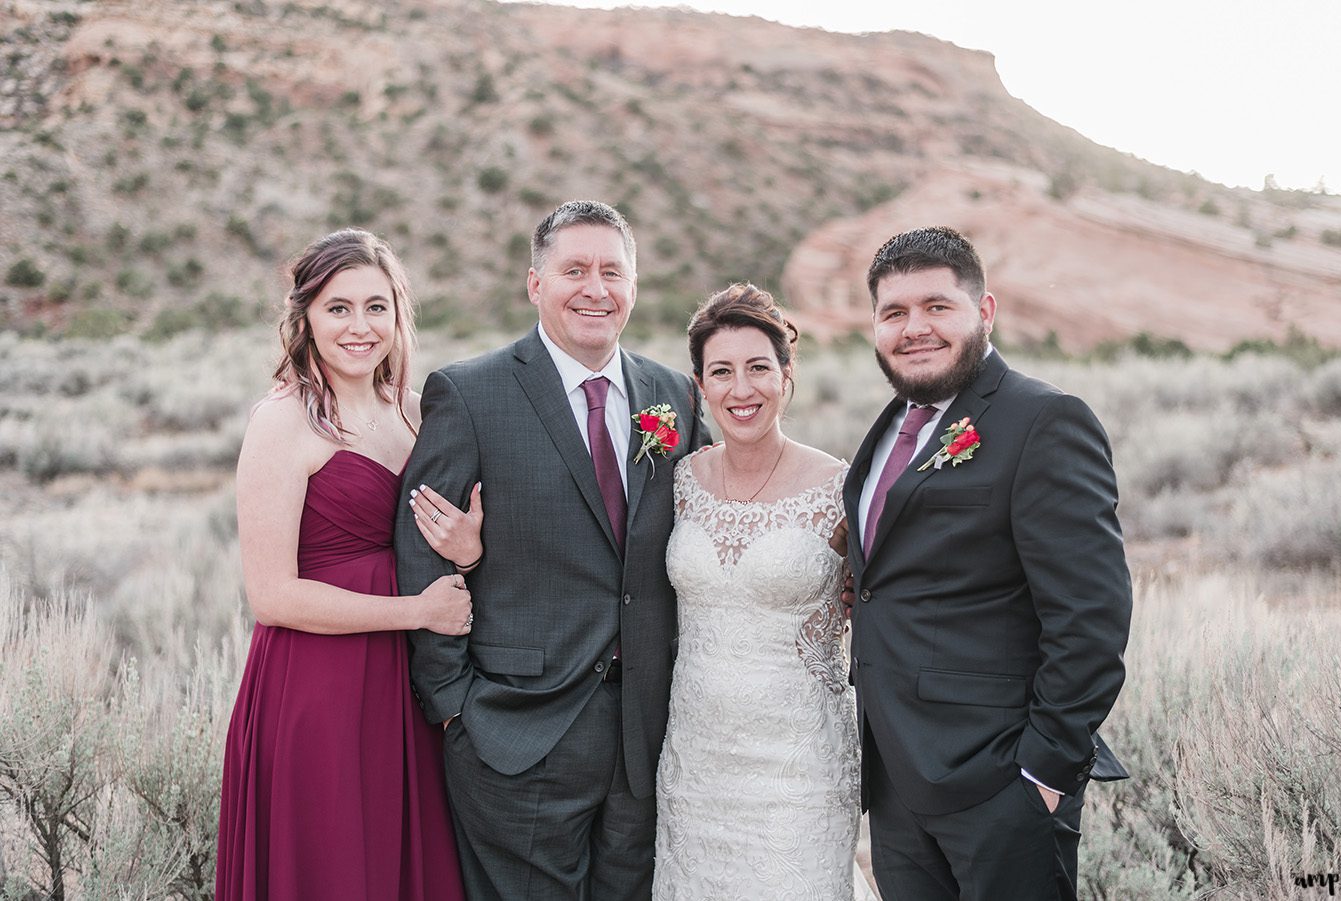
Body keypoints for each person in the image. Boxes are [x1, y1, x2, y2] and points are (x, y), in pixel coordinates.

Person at [395, 200, 713, 901]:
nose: (595, 288)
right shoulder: (470, 392)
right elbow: (421, 549)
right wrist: (454, 705)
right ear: (536, 283)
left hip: (647, 735)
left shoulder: (674, 396)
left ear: (634, 284)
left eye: (612, 271)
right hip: (515, 733)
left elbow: (717, 518)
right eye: (574, 270)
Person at [844, 225, 1132, 901]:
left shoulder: (1045, 420)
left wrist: (1045, 774)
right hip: (895, 786)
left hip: (1001, 789)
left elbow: (1092, 617)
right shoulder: (888, 428)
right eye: (894, 313)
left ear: (985, 311)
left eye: (937, 306)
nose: (914, 328)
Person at [216, 228, 472, 900]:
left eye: (376, 307)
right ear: (305, 319)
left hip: (403, 687)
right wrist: (417, 611)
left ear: (398, 314)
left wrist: (468, 547)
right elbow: (270, 594)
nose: (360, 327)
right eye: (338, 308)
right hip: (315, 688)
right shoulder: (283, 421)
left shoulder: (415, 415)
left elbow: (441, 541)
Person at [653, 283, 860, 900]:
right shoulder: (680, 480)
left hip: (799, 770)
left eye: (758, 368)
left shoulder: (838, 486)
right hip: (694, 763)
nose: (741, 390)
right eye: (722, 372)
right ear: (700, 385)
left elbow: (890, 595)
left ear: (786, 374)